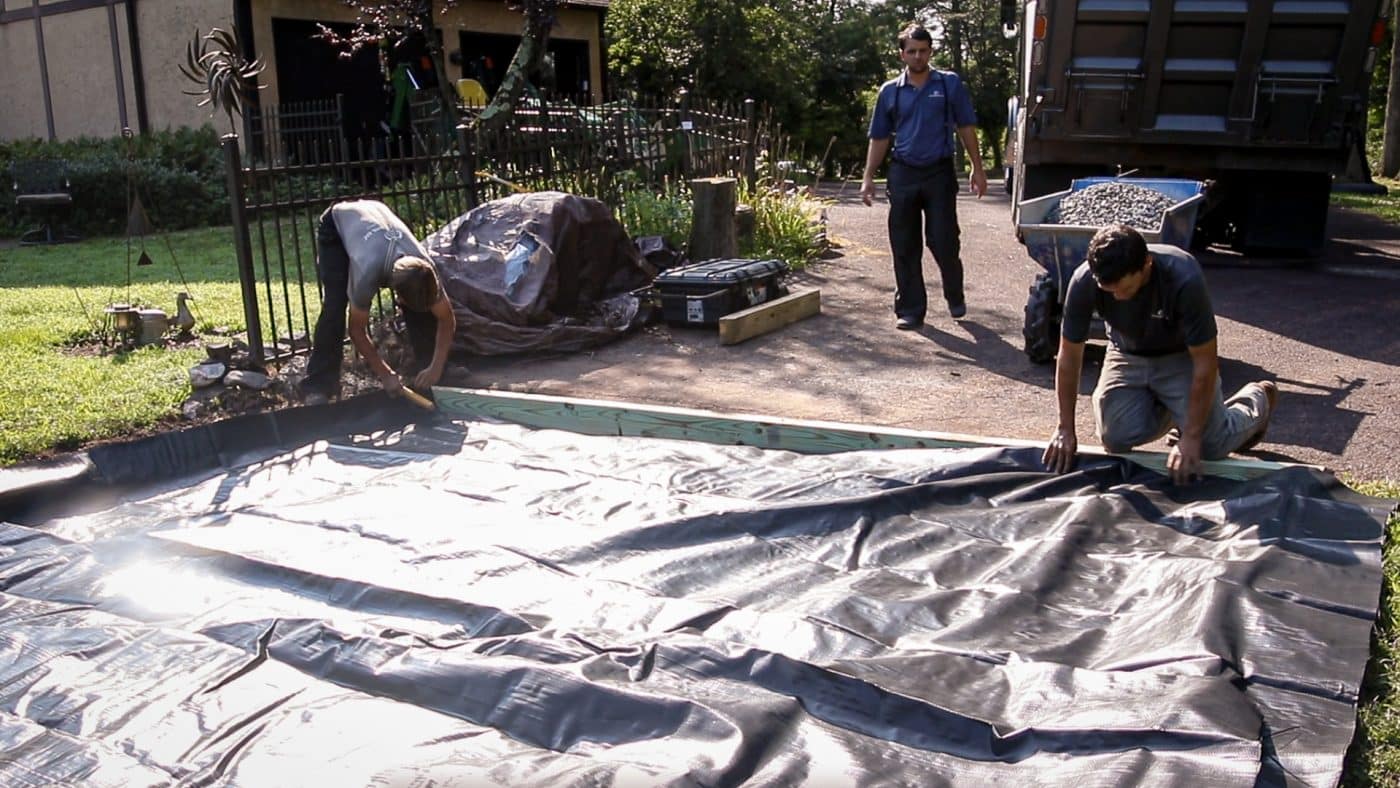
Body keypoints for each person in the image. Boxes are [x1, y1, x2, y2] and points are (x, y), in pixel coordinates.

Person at [1042, 224, 1278, 484]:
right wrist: (1065, 427)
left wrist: (1191, 436)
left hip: (1180, 356)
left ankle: (1256, 399)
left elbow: (1205, 362)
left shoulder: (1183, 277)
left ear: (1147, 265)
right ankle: (1179, 410)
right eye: (1110, 291)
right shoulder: (1084, 280)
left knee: (1209, 447)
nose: (1119, 298)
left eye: (1126, 289)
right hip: (1126, 353)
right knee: (1115, 437)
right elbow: (1070, 355)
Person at [861, 23, 988, 330]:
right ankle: (911, 309)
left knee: (943, 241)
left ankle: (954, 293)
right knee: (904, 244)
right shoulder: (890, 91)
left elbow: (966, 126)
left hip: (939, 172)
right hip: (903, 172)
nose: (918, 56)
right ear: (902, 54)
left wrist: (978, 167)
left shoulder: (948, 84)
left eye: (923, 51)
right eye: (912, 51)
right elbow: (879, 138)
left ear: (931, 51)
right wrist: (868, 177)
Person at [300, 199, 456, 405]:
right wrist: (385, 373)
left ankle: (431, 373)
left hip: (376, 216)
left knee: (422, 307)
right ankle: (318, 384)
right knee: (335, 305)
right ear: (397, 295)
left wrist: (436, 367)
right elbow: (356, 330)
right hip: (338, 226)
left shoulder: (425, 271)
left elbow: (446, 318)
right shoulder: (368, 273)